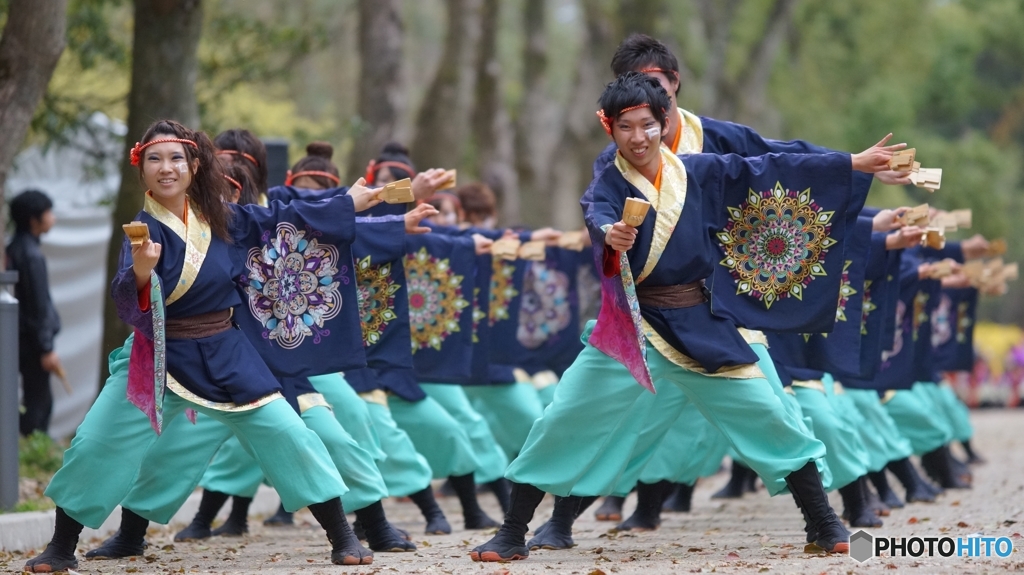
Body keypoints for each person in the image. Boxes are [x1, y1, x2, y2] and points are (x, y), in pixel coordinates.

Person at [469, 72, 897, 563]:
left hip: (701, 324)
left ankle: (823, 522)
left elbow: (769, 167)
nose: (638, 137)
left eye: (647, 125)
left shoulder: (699, 171)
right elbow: (599, 215)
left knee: (770, 414)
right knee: (564, 419)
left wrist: (851, 164)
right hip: (632, 328)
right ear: (609, 128)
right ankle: (512, 531)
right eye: (625, 127)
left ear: (663, 121)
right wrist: (612, 236)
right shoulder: (607, 183)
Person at [23, 120, 384, 572]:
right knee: (97, 442)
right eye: (155, 159)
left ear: (194, 166)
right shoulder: (142, 229)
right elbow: (126, 294)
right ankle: (61, 546)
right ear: (142, 169)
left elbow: (282, 219)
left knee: (290, 435)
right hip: (158, 357)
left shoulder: (223, 218)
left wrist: (348, 203)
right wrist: (140, 271)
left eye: (176, 158)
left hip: (226, 353)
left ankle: (343, 535)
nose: (166, 168)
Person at [6, 189, 62, 437]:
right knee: (39, 403)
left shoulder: (13, 250)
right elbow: (37, 307)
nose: (53, 218)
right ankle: (30, 450)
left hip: (19, 338)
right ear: (33, 219)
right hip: (32, 343)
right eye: (48, 213)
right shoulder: (30, 256)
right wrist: (46, 347)